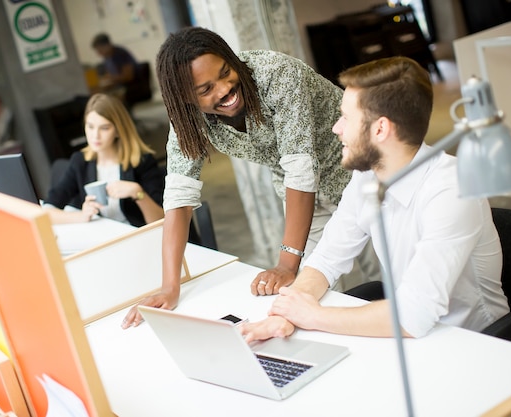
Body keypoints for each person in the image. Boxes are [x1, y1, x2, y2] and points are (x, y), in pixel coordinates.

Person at [122, 26, 380, 329]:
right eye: (205, 90)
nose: (224, 89)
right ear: (186, 98)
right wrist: (170, 286)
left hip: (367, 180)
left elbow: (301, 168)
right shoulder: (187, 119)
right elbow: (179, 197)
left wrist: (286, 264)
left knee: (389, 281)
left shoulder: (275, 74)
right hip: (308, 202)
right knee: (317, 299)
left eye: (225, 71)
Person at [240, 56, 509, 342]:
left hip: (475, 342)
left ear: (380, 129)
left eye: (345, 117)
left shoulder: (453, 189)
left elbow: (413, 315)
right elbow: (327, 259)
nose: (336, 128)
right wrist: (284, 316)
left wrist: (314, 316)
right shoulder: (368, 178)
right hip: (409, 336)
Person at [43, 93, 164, 226]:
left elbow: (160, 221)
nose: (95, 135)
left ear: (118, 130)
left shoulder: (141, 162)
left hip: (137, 235)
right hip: (103, 236)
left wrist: (138, 193)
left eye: (104, 128)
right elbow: (47, 211)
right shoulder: (80, 162)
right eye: (90, 126)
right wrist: (81, 216)